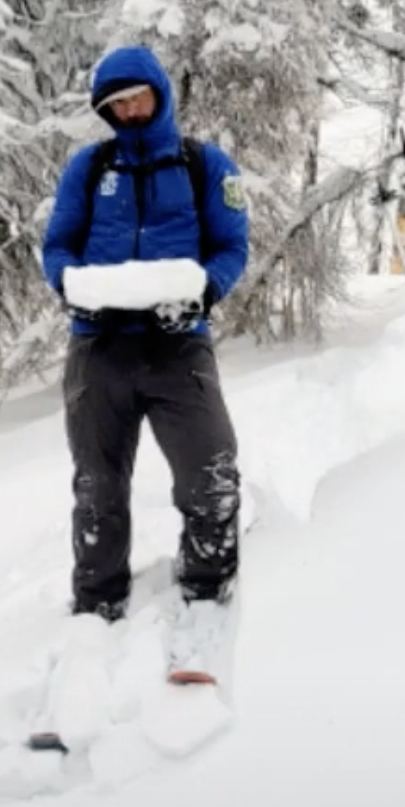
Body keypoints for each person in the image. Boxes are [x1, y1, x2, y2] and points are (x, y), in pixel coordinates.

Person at [40, 45, 249, 623]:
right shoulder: (89, 168)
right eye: (116, 104)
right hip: (98, 347)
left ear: (159, 92)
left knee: (211, 471)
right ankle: (98, 601)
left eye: (137, 97)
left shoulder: (205, 165)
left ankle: (208, 587)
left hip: (178, 346)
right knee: (97, 489)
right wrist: (72, 288)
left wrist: (204, 292)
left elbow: (232, 246)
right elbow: (57, 245)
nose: (129, 110)